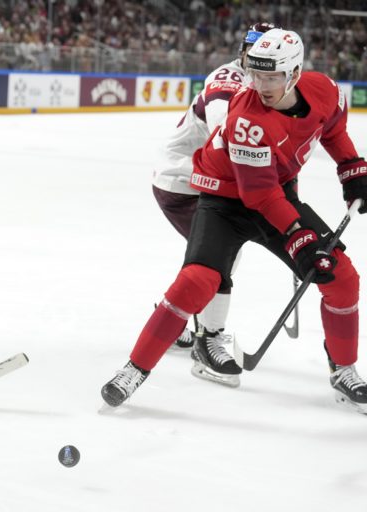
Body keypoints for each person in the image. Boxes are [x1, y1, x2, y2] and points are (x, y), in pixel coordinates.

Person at [101, 28, 367, 413]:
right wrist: (299, 236)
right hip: (226, 202)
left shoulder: (324, 88)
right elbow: (258, 194)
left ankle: (344, 369)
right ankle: (134, 369)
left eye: (271, 76)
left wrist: (351, 167)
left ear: (294, 73)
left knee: (343, 279)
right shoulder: (247, 119)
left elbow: (332, 126)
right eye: (256, 74)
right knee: (197, 281)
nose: (260, 84)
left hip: (276, 194)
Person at [151, 23, 277, 387]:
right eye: (253, 53)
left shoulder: (262, 85)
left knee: (213, 257)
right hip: (183, 180)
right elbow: (232, 142)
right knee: (218, 255)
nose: (258, 61)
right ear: (244, 52)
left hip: (206, 177)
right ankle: (207, 343)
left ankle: (179, 324)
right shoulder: (227, 83)